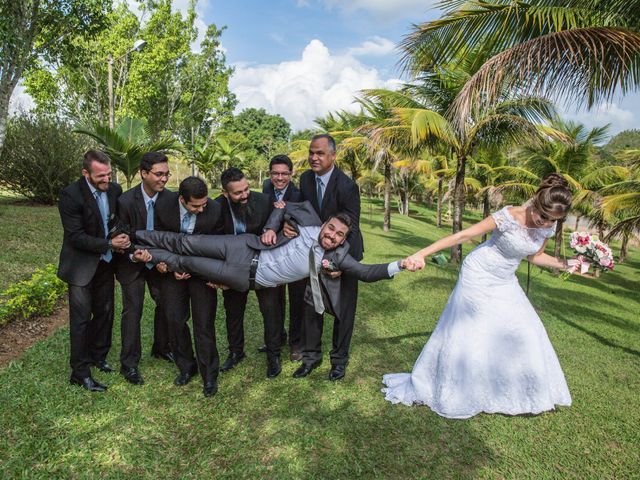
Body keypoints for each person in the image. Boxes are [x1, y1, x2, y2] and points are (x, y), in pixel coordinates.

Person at [133, 201, 412, 378]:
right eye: (331, 228)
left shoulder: (335, 258)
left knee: (187, 262)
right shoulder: (309, 221)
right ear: (325, 223)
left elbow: (366, 272)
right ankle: (136, 237)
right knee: (187, 243)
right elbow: (281, 204)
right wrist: (272, 226)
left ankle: (140, 252)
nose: (332, 235)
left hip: (244, 276)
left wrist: (400, 264)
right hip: (245, 246)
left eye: (339, 235)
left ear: (342, 241)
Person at [382, 173, 577, 419]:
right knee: (473, 332)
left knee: (525, 329)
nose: (545, 223)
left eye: (552, 221)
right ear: (536, 203)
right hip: (479, 273)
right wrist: (421, 253)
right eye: (543, 216)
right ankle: (459, 389)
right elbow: (463, 236)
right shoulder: (509, 216)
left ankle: (513, 391)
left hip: (506, 280)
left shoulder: (548, 227)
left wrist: (565, 262)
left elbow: (534, 256)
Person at [57, 150, 129, 392]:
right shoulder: (70, 195)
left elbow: (115, 221)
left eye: (109, 174)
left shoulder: (115, 190)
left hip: (105, 264)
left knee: (105, 312)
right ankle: (79, 372)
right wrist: (109, 244)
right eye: (100, 176)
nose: (106, 180)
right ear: (85, 173)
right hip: (80, 267)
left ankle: (98, 356)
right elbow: (76, 237)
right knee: (80, 320)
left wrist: (120, 234)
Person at [293, 134, 363, 381]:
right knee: (312, 307)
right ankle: (311, 357)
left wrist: (342, 265)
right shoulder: (305, 180)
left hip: (345, 255)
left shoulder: (347, 186)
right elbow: (305, 213)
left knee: (344, 312)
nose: (314, 157)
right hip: (315, 254)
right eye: (311, 152)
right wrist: (291, 224)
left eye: (320, 153)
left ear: (333, 156)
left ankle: (339, 361)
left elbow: (352, 228)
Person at [154, 177, 222, 397]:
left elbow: (219, 247)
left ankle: (209, 375)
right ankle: (186, 366)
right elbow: (158, 241)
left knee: (204, 324)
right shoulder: (163, 207)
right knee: (174, 319)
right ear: (182, 199)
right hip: (173, 274)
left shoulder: (214, 209)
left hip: (202, 273)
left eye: (204, 204)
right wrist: (169, 265)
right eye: (195, 206)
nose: (202, 209)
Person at [115, 151, 173, 386]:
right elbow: (121, 233)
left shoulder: (170, 200)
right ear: (144, 173)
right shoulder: (125, 201)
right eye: (159, 174)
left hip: (159, 263)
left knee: (166, 304)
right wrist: (135, 254)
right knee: (133, 311)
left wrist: (161, 258)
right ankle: (128, 364)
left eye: (167, 174)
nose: (164, 179)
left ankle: (161, 347)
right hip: (132, 263)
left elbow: (172, 235)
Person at [213, 167, 275, 374]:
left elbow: (277, 228)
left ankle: (273, 355)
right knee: (233, 312)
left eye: (246, 189)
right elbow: (214, 242)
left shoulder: (264, 201)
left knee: (270, 310)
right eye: (238, 193)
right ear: (225, 193)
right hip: (232, 269)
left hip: (262, 266)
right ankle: (235, 352)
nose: (244, 195)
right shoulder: (216, 207)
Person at [261, 154, 305, 361]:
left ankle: (296, 343)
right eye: (275, 173)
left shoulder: (300, 193)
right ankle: (277, 337)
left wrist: (288, 219)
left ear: (291, 173)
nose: (279, 178)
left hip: (295, 252)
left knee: (297, 298)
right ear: (270, 174)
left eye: (284, 174)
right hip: (272, 252)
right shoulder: (266, 188)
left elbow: (306, 219)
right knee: (274, 298)